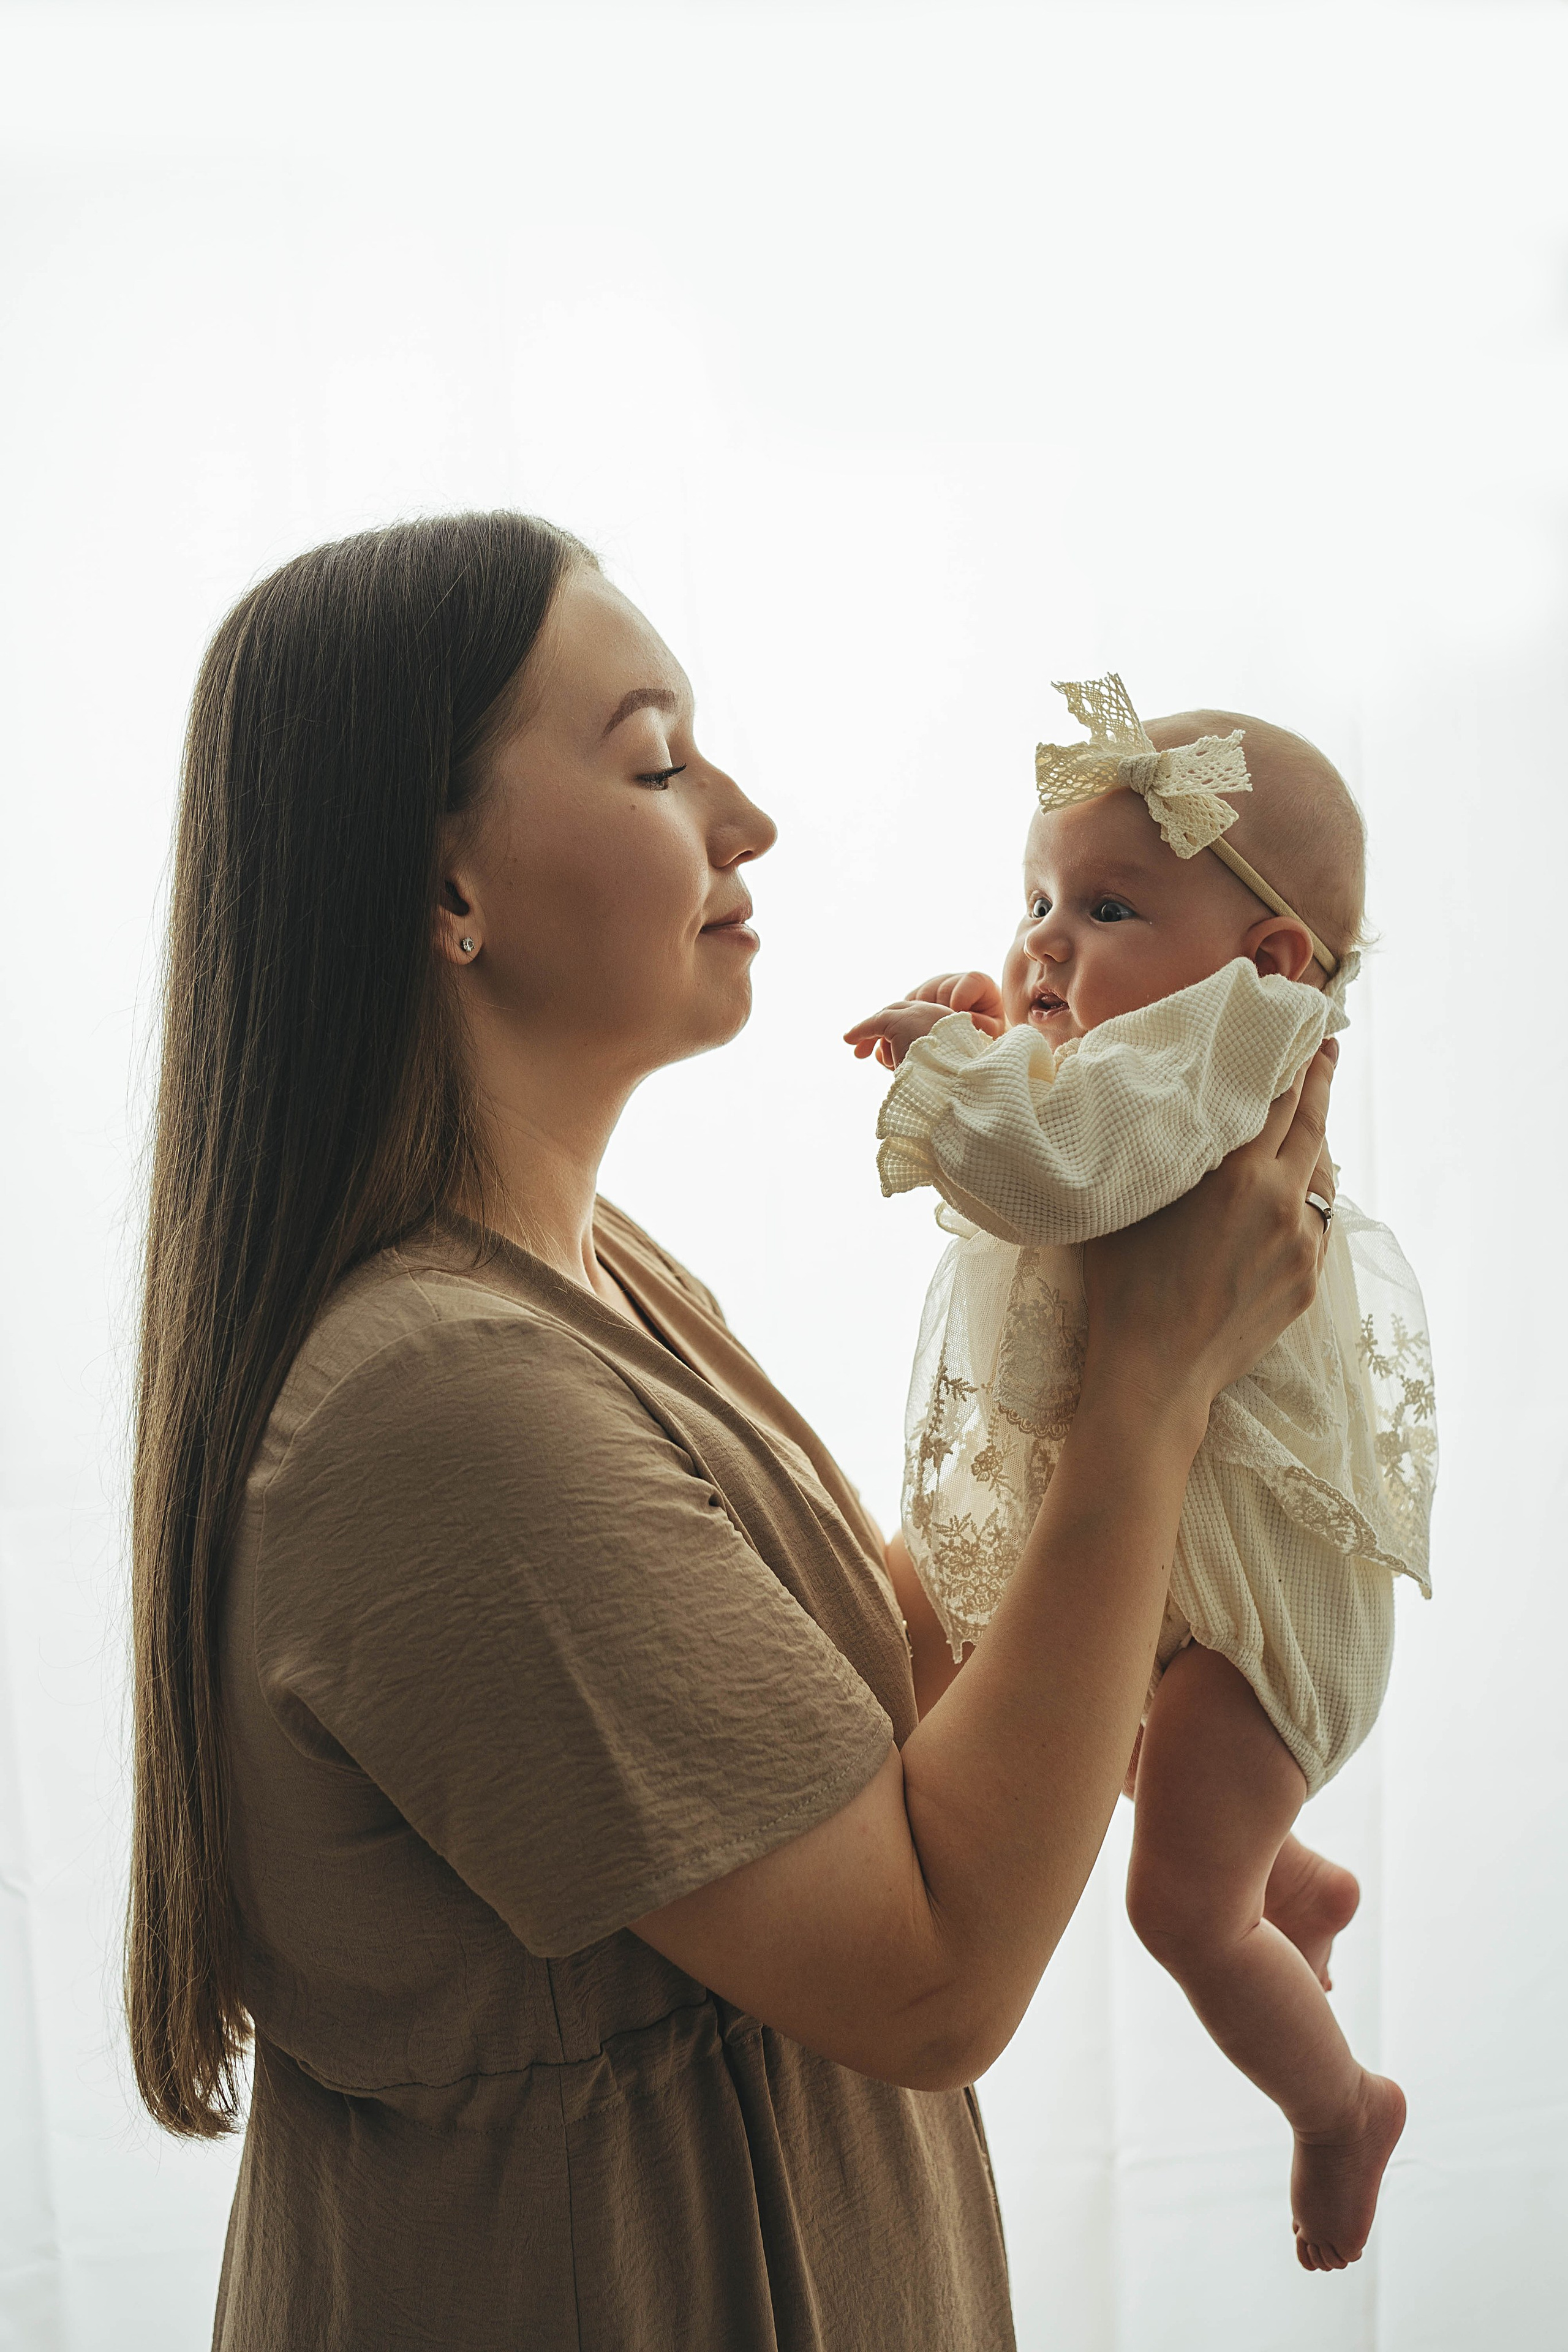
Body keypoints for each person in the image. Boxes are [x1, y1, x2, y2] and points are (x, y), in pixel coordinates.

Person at [127, 521, 1339, 2350]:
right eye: (656, 758)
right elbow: (934, 1975)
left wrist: (1103, 1296)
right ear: (443, 886)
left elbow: (895, 1711)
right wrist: (1151, 1389)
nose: (747, 817)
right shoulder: (441, 1408)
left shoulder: (596, 1280)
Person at [845, 674, 1434, 2273]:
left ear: (1270, 964)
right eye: (1038, 896)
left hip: (1258, 1611)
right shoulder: (1158, 1067)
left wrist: (949, 1064)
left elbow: (1054, 1163)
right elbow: (1068, 1141)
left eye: (1106, 905)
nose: (1045, 941)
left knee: (1177, 1909)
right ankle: (1293, 1884)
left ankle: (1339, 2106)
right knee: (1080, 1736)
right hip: (1184, 1573)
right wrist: (1004, 1033)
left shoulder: (1227, 1053)